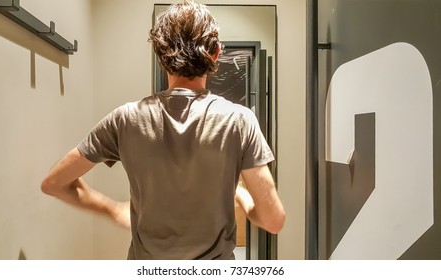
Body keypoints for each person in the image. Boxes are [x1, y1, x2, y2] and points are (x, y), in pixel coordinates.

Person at [41, 0, 285, 260]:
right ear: (215, 53)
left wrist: (113, 210)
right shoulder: (240, 120)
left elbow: (54, 183)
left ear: (160, 55)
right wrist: (243, 197)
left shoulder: (125, 119)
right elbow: (273, 220)